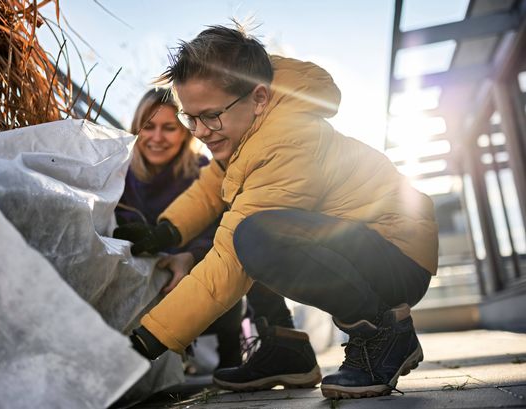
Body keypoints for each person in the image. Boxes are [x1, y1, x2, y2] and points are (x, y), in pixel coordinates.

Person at [115, 23, 438, 400]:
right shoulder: (248, 126)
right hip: (363, 243)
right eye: (192, 118)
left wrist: (147, 340)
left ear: (260, 98)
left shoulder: (286, 140)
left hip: (396, 259)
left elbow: (230, 263)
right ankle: (286, 350)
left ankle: (381, 333)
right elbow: (210, 187)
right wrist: (166, 230)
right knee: (247, 226)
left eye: (211, 116)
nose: (200, 132)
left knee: (253, 236)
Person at [116, 88, 243, 370]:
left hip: (195, 278)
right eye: (148, 127)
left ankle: (232, 357)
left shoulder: (206, 173)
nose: (157, 138)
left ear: (186, 131)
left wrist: (190, 258)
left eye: (169, 128)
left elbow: (227, 232)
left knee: (233, 268)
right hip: (141, 280)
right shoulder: (115, 176)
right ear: (136, 129)